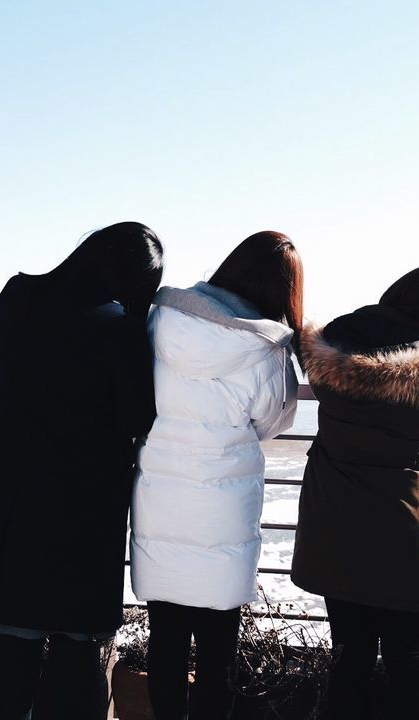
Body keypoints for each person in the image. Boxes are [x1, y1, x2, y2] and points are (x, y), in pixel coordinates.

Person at [0, 222, 164, 720]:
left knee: (16, 640)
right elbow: (139, 417)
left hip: (9, 499)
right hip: (82, 511)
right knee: (77, 650)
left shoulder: (18, 295)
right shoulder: (121, 330)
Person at [130, 231, 303, 720]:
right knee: (216, 652)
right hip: (222, 511)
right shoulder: (266, 346)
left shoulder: (165, 318)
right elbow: (275, 420)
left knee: (164, 640)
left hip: (160, 497)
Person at [290, 264, 419, 720]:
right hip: (407, 533)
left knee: (350, 657)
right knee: (409, 665)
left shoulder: (334, 343)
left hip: (337, 523)